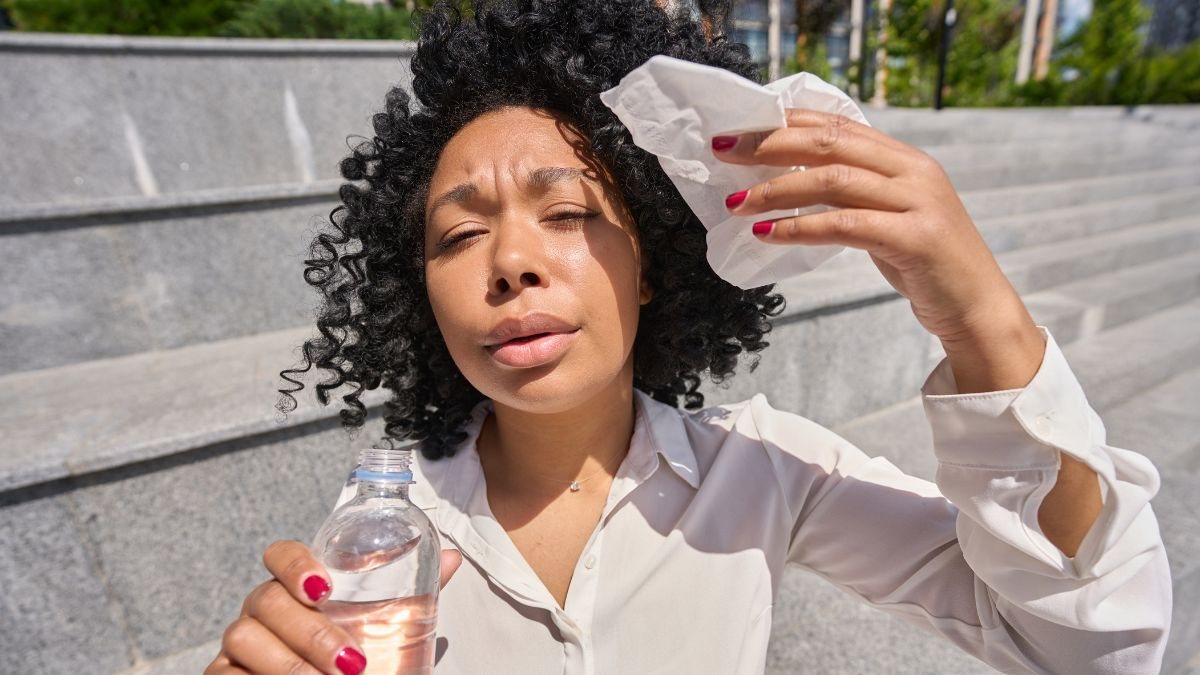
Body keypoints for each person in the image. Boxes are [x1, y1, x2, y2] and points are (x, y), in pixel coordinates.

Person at [206, 1, 1172, 673]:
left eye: (567, 212)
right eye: (458, 234)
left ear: (655, 258)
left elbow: (1091, 643)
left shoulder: (766, 468)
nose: (509, 261)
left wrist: (983, 319)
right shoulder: (385, 526)